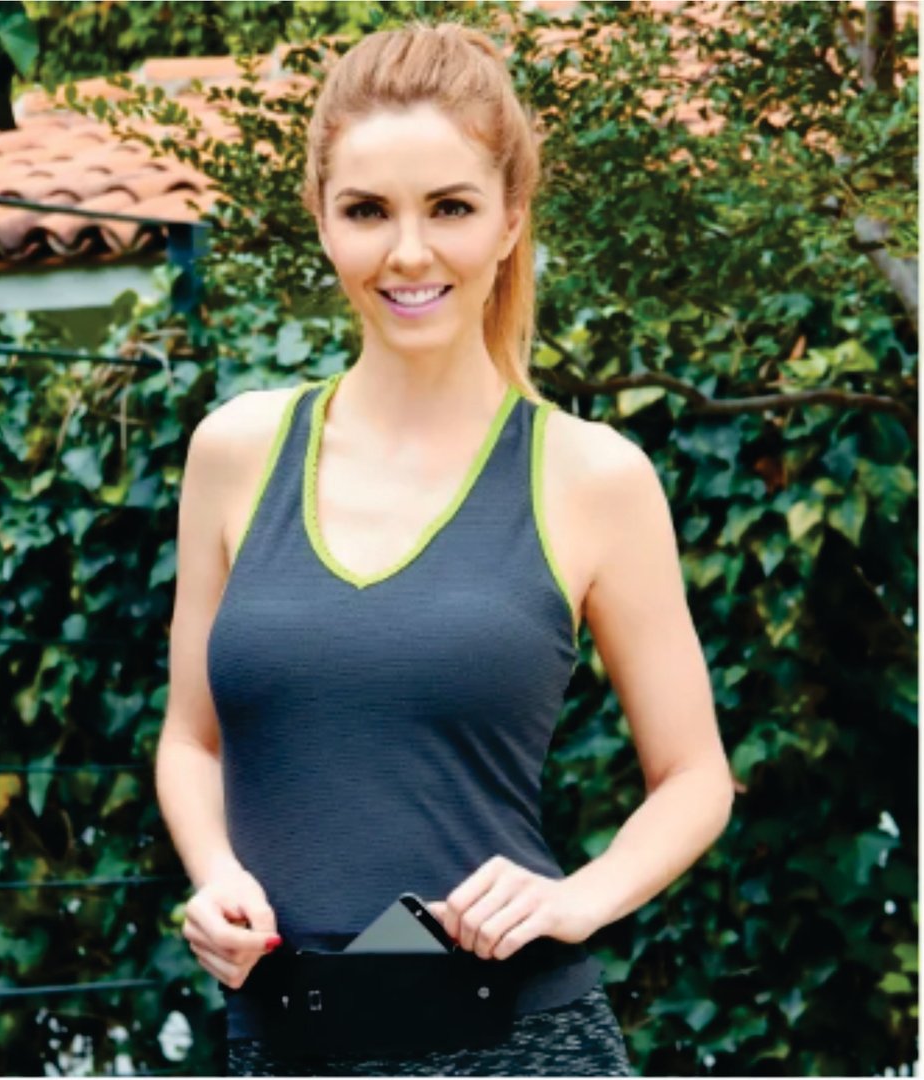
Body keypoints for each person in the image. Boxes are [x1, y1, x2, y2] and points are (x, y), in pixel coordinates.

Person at [155, 20, 734, 1078]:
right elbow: (191, 743)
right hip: (280, 1042)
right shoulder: (234, 453)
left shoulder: (591, 477)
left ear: (510, 221)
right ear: (322, 222)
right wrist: (212, 874)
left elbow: (694, 776)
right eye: (368, 210)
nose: (408, 252)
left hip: (517, 1041)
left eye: (451, 208)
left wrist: (576, 898)